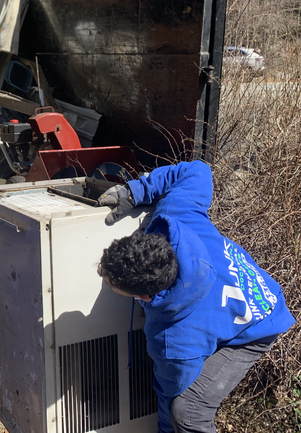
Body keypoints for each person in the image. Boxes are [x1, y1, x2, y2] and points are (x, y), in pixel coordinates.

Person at [96, 161, 295, 433]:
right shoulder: (177, 216)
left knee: (187, 411)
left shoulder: (174, 339)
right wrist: (136, 191)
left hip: (260, 322)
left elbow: (172, 392)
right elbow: (197, 170)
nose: (100, 274)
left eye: (110, 282)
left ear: (144, 295)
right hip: (243, 289)